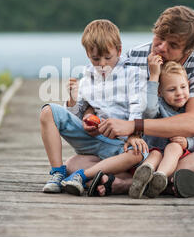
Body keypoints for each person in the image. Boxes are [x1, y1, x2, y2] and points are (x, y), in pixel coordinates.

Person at [65, 5, 194, 197]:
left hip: (188, 150)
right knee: (73, 164)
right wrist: (90, 116)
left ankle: (127, 183)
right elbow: (100, 95)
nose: (161, 47)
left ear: (188, 50)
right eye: (159, 38)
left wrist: (133, 125)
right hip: (139, 153)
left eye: (173, 45)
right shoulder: (134, 57)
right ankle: (171, 181)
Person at [40, 19, 147, 196]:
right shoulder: (88, 76)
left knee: (138, 154)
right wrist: (73, 101)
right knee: (48, 111)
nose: (102, 64)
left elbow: (138, 105)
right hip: (94, 140)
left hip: (120, 145)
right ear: (88, 54)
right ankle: (57, 173)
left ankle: (86, 176)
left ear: (119, 51)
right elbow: (77, 114)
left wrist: (134, 134)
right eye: (96, 59)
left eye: (108, 58)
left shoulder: (132, 74)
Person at [129, 60, 194, 199]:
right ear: (159, 92)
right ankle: (142, 176)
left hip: (176, 159)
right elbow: (149, 110)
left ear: (189, 86)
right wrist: (154, 77)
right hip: (153, 152)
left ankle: (160, 177)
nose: (179, 93)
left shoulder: (191, 112)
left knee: (175, 147)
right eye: (171, 89)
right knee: (155, 155)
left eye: (183, 87)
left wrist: (188, 143)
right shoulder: (159, 106)